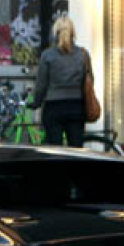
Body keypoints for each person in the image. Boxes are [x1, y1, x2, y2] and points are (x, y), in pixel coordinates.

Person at [31, 15, 92, 147]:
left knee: (55, 151)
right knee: (76, 151)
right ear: (73, 33)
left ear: (55, 34)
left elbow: (41, 85)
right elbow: (90, 80)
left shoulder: (47, 55)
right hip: (76, 107)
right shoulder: (83, 54)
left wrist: (35, 103)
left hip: (53, 108)